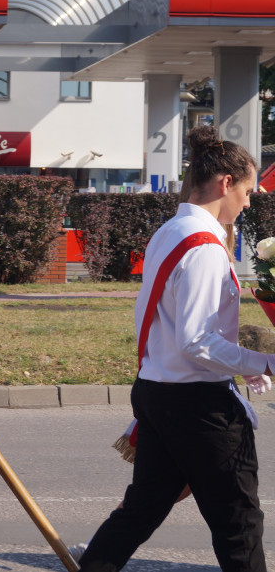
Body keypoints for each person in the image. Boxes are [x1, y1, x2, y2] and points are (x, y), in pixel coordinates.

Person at [77, 125, 275, 572]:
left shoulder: (171, 229)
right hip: (197, 405)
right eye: (248, 190)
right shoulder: (204, 246)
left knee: (142, 509)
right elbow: (197, 340)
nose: (249, 202)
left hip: (158, 389)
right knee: (238, 521)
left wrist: (241, 366)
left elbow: (169, 326)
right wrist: (263, 361)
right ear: (226, 183)